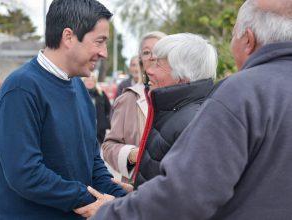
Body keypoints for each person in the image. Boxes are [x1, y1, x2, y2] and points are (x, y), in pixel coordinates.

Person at [91, 0, 292, 219]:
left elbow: (186, 196)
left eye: (233, 34)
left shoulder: (243, 93)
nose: (149, 70)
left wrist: (108, 214)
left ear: (248, 40)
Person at [0, 0, 126, 219]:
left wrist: (124, 201)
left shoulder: (78, 87)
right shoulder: (21, 89)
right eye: (99, 42)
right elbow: (25, 173)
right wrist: (90, 200)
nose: (104, 53)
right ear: (68, 37)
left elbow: (92, 161)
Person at [133, 33, 217, 187]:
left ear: (182, 76)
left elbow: (181, 200)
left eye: (158, 64)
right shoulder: (175, 111)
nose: (149, 71)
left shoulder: (193, 123)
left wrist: (124, 206)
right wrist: (135, 195)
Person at [101, 32, 166, 182]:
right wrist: (131, 155)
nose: (152, 56)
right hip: (137, 190)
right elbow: (108, 146)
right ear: (141, 61)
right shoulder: (129, 98)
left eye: (158, 50)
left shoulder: (182, 96)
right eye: (146, 52)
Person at [83, 74, 111, 144]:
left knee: (99, 149)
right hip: (85, 128)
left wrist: (105, 121)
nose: (89, 82)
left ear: (95, 82)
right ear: (83, 82)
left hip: (100, 129)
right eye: (87, 80)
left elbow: (108, 108)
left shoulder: (101, 94)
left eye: (92, 80)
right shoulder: (80, 94)